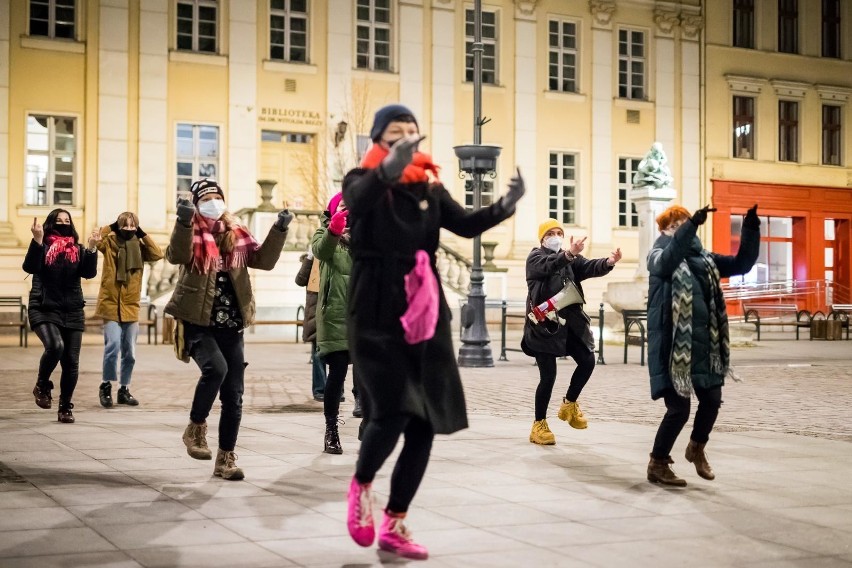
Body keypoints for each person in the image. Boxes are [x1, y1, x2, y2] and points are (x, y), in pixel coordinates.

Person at [341, 104, 524, 560]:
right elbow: (357, 204)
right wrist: (386, 170)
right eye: (394, 133)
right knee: (394, 410)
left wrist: (504, 205)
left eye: (411, 132)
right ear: (378, 140)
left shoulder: (429, 185)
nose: (405, 139)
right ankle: (361, 487)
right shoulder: (361, 180)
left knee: (425, 422)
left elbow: (463, 224)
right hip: (377, 309)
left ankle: (395, 523)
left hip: (424, 309)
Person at [165, 178, 291, 480]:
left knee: (234, 395)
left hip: (232, 324)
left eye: (216, 197)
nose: (212, 203)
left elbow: (264, 261)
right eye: (205, 198)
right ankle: (195, 428)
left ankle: (226, 459)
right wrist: (183, 222)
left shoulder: (236, 234)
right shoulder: (191, 232)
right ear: (196, 204)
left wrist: (280, 229)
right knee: (216, 369)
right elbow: (177, 255)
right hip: (197, 322)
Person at [646, 204, 760, 486]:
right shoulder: (658, 256)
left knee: (712, 400)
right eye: (675, 225)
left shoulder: (705, 258)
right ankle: (657, 463)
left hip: (705, 346)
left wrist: (750, 228)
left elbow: (741, 264)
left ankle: (696, 448)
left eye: (684, 223)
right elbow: (668, 260)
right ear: (663, 230)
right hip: (673, 350)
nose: (681, 228)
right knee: (678, 410)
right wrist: (691, 224)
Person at [522, 219, 622, 445]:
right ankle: (539, 425)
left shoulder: (570, 260)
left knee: (588, 360)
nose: (555, 236)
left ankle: (569, 404)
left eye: (559, 232)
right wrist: (568, 254)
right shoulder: (535, 257)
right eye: (551, 233)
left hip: (570, 325)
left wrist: (609, 262)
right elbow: (549, 265)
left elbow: (588, 267)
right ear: (542, 238)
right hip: (545, 327)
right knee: (548, 377)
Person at [24, 209, 100, 423]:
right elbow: (30, 266)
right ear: (50, 224)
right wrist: (37, 241)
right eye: (59, 221)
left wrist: (92, 247)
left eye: (67, 221)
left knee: (71, 362)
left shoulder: (77, 249)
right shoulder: (43, 246)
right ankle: (42, 384)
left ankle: (65, 407)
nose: (63, 224)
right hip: (43, 306)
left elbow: (89, 273)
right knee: (56, 347)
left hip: (72, 309)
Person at [95, 212, 164, 407]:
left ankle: (124, 389)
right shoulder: (109, 244)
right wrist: (111, 226)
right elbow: (95, 239)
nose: (128, 229)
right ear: (118, 226)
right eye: (124, 226)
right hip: (110, 305)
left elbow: (157, 253)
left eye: (132, 226)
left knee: (130, 352)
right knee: (112, 347)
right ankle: (106, 385)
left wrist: (142, 234)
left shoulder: (140, 248)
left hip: (131, 306)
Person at [311, 191, 356, 454]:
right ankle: (331, 430)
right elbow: (321, 250)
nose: (347, 210)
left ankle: (370, 421)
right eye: (342, 206)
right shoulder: (324, 234)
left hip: (364, 316)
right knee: (337, 375)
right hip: (335, 315)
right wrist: (334, 230)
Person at [295, 247, 327, 402]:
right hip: (315, 312)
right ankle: (320, 389)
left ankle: (336, 390)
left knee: (337, 354)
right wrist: (309, 257)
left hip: (334, 309)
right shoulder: (312, 259)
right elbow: (300, 280)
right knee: (317, 352)